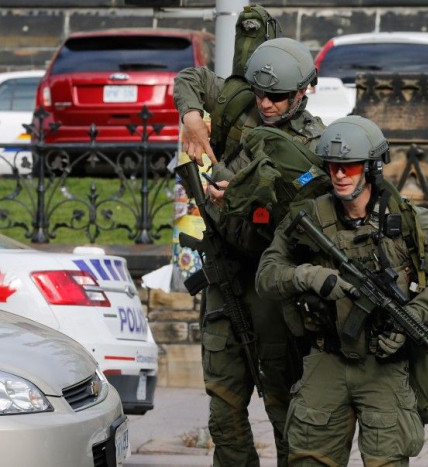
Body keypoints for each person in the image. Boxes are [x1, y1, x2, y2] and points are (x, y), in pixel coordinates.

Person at [255, 115, 428, 466]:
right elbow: (267, 276)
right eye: (334, 165)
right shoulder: (307, 219)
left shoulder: (413, 224)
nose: (338, 174)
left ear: (370, 169)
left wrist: (408, 322)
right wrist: (309, 276)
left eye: (349, 166)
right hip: (326, 359)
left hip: (383, 367)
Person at [173, 37, 327, 467]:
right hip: (224, 274)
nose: (266, 104)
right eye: (260, 94)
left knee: (282, 405)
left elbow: (309, 216)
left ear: (302, 92)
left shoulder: (312, 146)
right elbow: (190, 78)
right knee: (223, 408)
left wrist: (246, 198)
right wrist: (191, 118)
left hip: (272, 284)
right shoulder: (242, 106)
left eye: (277, 97)